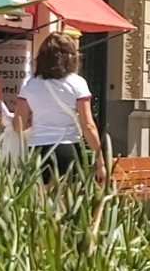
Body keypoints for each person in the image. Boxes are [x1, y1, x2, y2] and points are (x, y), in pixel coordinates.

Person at [12, 34, 106, 185]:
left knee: (41, 204)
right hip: (68, 149)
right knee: (67, 205)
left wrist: (37, 122)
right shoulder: (77, 83)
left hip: (38, 151)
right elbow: (88, 125)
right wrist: (100, 161)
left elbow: (18, 124)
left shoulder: (30, 85)